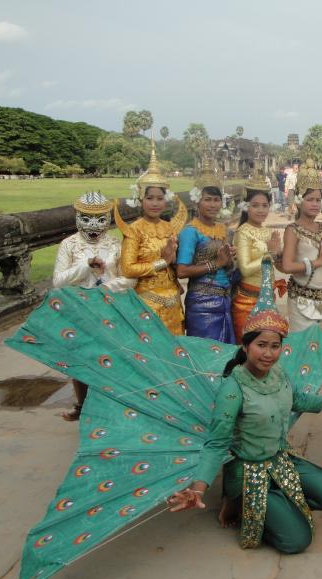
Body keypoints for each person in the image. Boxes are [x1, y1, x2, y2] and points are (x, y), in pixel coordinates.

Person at [169, 259, 322, 553]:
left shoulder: (278, 372)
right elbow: (216, 444)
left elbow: (297, 400)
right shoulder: (234, 387)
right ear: (246, 346)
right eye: (261, 346)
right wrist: (198, 488)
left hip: (279, 458)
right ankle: (241, 501)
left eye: (275, 346)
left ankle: (274, 498)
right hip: (248, 469)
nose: (269, 354)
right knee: (296, 541)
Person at [52, 191, 135, 421]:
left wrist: (106, 282)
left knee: (111, 358)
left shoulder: (116, 245)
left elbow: (130, 279)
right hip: (78, 309)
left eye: (100, 219)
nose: (94, 225)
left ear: (108, 218)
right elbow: (58, 281)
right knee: (80, 359)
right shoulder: (68, 245)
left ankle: (109, 405)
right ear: (77, 217)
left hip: (110, 307)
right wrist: (86, 266)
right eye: (86, 218)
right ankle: (82, 405)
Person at [116, 138, 187, 335]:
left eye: (160, 198)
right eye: (150, 198)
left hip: (173, 297)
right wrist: (162, 262)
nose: (155, 203)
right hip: (146, 300)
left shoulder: (169, 228)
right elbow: (127, 268)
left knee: (177, 348)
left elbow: (175, 263)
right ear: (140, 199)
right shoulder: (134, 230)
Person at [280, 159, 322, 331]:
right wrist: (320, 261)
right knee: (303, 349)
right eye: (310, 199)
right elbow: (287, 265)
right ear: (300, 201)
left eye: (318, 199)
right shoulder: (293, 230)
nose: (315, 204)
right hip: (302, 298)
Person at [176, 169, 237, 343]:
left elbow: (228, 266)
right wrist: (216, 263)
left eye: (216, 200)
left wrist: (230, 260)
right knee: (206, 356)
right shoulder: (190, 232)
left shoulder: (223, 229)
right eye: (207, 200)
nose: (213, 205)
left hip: (225, 299)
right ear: (197, 203)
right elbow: (181, 271)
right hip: (202, 303)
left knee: (226, 356)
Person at [231, 172, 283, 341]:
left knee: (265, 348)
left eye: (264, 205)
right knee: (246, 350)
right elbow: (245, 269)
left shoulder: (268, 232)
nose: (261, 210)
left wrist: (280, 255)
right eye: (255, 205)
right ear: (247, 207)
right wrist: (270, 253)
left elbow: (275, 263)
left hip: (268, 298)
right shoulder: (243, 231)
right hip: (247, 301)